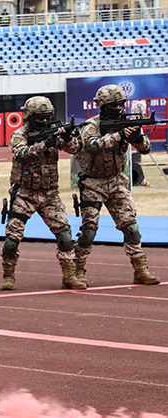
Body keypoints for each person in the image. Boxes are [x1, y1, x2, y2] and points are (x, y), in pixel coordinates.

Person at [73, 85, 160, 286]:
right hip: (93, 183)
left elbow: (146, 148)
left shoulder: (127, 122)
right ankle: (77, 270)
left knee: (131, 227)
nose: (119, 107)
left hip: (117, 181)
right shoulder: (91, 125)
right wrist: (119, 135)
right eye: (114, 104)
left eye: (122, 104)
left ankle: (141, 270)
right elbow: (92, 145)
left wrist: (138, 138)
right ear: (102, 105)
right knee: (89, 230)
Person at [1, 97, 84, 291]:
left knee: (65, 235)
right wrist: (44, 144)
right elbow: (20, 153)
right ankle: (8, 274)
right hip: (24, 193)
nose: (44, 121)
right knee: (12, 239)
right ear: (29, 116)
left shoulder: (55, 131)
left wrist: (66, 138)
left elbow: (75, 149)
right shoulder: (19, 134)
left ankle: (69, 275)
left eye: (47, 117)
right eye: (40, 117)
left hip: (49, 194)